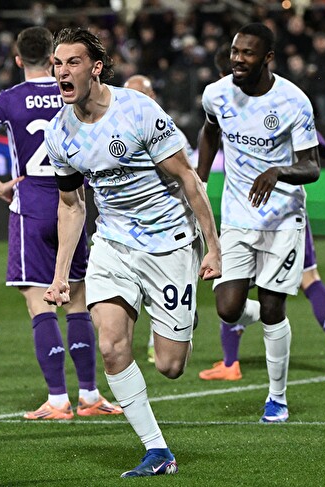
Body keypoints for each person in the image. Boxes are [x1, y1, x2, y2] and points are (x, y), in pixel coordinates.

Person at [43, 28, 221, 477]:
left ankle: (180, 318)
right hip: (113, 244)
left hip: (168, 243)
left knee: (170, 366)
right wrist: (61, 275)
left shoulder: (138, 111)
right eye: (57, 63)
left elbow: (188, 179)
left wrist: (213, 248)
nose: (62, 71)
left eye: (72, 62)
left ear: (96, 68)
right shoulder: (58, 132)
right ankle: (157, 450)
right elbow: (71, 205)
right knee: (111, 345)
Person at [0, 26, 122, 420]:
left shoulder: (8, 99)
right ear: (52, 58)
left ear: (18, 59)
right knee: (77, 301)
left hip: (30, 209)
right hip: (73, 206)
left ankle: (58, 400)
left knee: (39, 303)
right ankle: (89, 395)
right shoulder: (74, 92)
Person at [196, 23, 321, 423]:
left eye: (247, 53)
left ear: (267, 58)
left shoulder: (293, 102)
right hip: (236, 216)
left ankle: (277, 398)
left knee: (272, 306)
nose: (238, 59)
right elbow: (209, 131)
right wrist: (200, 182)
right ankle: (268, 313)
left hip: (283, 219)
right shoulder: (217, 94)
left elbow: (312, 166)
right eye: (235, 51)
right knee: (227, 308)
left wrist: (278, 171)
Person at [198, 132, 325, 381]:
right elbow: (308, 133)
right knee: (309, 278)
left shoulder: (238, 111)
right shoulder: (285, 110)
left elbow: (210, 131)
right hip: (284, 212)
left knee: (237, 285)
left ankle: (231, 363)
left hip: (249, 210)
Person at [122, 73, 195, 365]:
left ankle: (163, 336)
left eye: (138, 95)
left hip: (169, 229)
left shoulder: (170, 134)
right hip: (129, 231)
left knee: (171, 362)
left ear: (152, 97)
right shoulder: (117, 131)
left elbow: (191, 180)